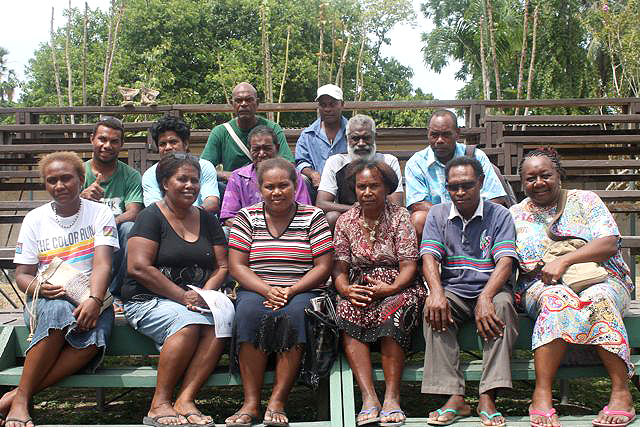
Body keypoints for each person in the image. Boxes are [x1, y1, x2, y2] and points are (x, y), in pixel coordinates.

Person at [511, 148, 635, 427]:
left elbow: (608, 242)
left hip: (600, 278)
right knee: (557, 300)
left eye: (546, 175)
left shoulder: (585, 200)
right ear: (522, 184)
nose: (538, 182)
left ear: (559, 175)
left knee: (597, 298)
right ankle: (541, 394)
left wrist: (564, 261)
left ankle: (621, 392)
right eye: (531, 178)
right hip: (542, 286)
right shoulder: (514, 214)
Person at [1, 151, 118, 427]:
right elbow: (22, 276)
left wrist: (93, 298)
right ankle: (21, 401)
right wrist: (39, 289)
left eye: (66, 178)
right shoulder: (35, 219)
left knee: (91, 343)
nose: (59, 185)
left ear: (81, 179)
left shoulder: (100, 213)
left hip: (91, 296)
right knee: (56, 310)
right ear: (45, 184)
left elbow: (103, 264)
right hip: (48, 297)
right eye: (52, 180)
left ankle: (19, 395)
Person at [121, 152, 229, 427]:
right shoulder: (150, 217)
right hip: (148, 299)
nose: (190, 185)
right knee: (189, 324)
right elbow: (138, 268)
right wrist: (183, 297)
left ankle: (185, 399)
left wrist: (205, 294)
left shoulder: (208, 219)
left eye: (194, 180)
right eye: (182, 179)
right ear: (165, 183)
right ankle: (159, 403)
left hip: (195, 300)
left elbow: (222, 267)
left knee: (221, 324)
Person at [226, 157, 333, 427]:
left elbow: (323, 266)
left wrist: (291, 290)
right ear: (260, 189)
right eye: (269, 187)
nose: (276, 192)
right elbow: (237, 266)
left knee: (296, 315)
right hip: (257, 288)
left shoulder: (313, 216)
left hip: (302, 289)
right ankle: (250, 402)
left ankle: (278, 400)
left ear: (295, 186)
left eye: (283, 185)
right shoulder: (246, 217)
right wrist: (268, 290)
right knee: (248, 314)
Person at [421, 156, 519, 427]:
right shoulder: (438, 214)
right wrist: (436, 292)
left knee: (502, 307)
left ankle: (488, 395)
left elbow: (505, 262)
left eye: (467, 185)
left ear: (481, 183)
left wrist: (485, 296)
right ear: (446, 187)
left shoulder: (499, 215)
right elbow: (429, 257)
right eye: (453, 187)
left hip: (492, 287)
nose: (460, 192)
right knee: (434, 307)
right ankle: (455, 396)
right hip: (454, 289)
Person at [333, 160, 426, 427]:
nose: (368, 192)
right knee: (346, 309)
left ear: (386, 188)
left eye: (374, 186)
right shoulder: (345, 220)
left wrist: (391, 288)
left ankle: (392, 398)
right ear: (354, 190)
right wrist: (346, 290)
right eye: (362, 187)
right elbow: (339, 267)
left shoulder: (400, 217)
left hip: (398, 282)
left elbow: (409, 265)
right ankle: (369, 397)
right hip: (359, 282)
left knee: (395, 309)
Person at [405, 110, 506, 242]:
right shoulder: (416, 162)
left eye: (446, 135)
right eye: (434, 135)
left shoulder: (476, 156)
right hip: (438, 223)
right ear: (428, 134)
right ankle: (426, 260)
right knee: (418, 219)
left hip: (477, 221)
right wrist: (454, 219)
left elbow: (496, 198)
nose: (439, 140)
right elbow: (417, 204)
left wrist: (470, 218)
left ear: (457, 134)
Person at [80, 116, 143, 300]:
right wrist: (82, 198)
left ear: (121, 144)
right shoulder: (78, 173)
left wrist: (108, 223)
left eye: (114, 141)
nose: (107, 145)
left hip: (116, 233)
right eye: (102, 139)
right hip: (85, 233)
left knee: (129, 229)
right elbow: (64, 210)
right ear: (92, 139)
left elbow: (133, 212)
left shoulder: (130, 175)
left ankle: (116, 294)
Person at [316, 114, 403, 230]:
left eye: (366, 138)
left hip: (382, 218)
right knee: (332, 217)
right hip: (348, 220)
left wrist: (369, 211)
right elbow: (321, 203)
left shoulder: (388, 161)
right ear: (347, 139)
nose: (361, 143)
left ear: (374, 137)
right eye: (355, 138)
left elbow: (396, 204)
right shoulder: (335, 162)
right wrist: (358, 210)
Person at [200, 82, 294, 183]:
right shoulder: (221, 132)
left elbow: (289, 164)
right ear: (232, 104)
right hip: (233, 187)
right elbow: (202, 169)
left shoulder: (272, 128)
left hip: (268, 185)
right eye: (238, 101)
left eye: (249, 100)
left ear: (257, 103)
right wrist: (228, 175)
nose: (244, 104)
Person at [220, 125, 311, 227]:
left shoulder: (292, 174)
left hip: (289, 231)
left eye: (267, 148)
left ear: (277, 148)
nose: (261, 154)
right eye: (256, 149)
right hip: (248, 233)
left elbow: (304, 212)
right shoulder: (238, 177)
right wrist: (259, 231)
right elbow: (228, 217)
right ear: (249, 150)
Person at [142, 115, 220, 213]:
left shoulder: (204, 166)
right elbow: (154, 209)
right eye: (162, 144)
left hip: (202, 221)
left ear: (186, 144)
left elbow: (212, 202)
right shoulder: (150, 174)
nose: (168, 147)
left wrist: (192, 216)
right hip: (166, 224)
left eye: (173, 142)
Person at [295, 84, 348, 198]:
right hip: (318, 189)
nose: (328, 109)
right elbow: (301, 162)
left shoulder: (353, 132)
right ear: (318, 107)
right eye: (323, 105)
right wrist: (312, 174)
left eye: (332, 104)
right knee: (302, 179)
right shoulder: (307, 135)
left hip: (348, 188)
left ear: (342, 105)